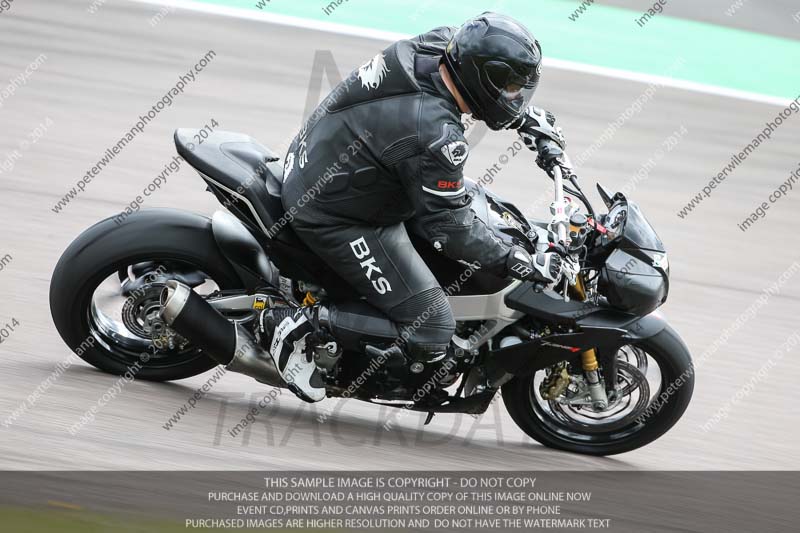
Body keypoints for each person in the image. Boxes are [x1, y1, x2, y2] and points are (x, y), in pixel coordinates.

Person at [267, 12, 569, 402]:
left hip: (323, 156)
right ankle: (295, 327)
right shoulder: (436, 134)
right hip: (336, 215)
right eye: (511, 89)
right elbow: (451, 229)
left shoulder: (438, 44)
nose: (516, 98)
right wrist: (515, 259)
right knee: (432, 327)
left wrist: (523, 117)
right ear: (484, 78)